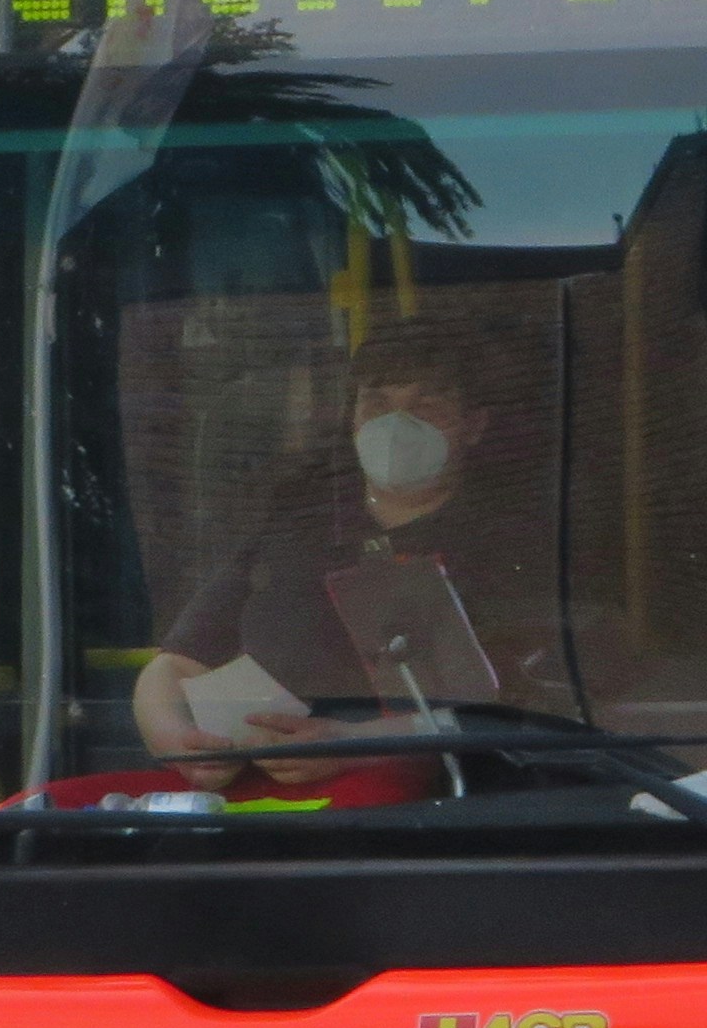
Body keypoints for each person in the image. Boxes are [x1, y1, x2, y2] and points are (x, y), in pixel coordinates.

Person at [131, 320, 566, 795]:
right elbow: (175, 665)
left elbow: (517, 710)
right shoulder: (298, 521)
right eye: (376, 403)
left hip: (441, 804)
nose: (396, 425)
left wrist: (353, 745)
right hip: (263, 801)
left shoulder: (512, 543)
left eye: (426, 407)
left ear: (474, 425)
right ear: (353, 416)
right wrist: (182, 745)